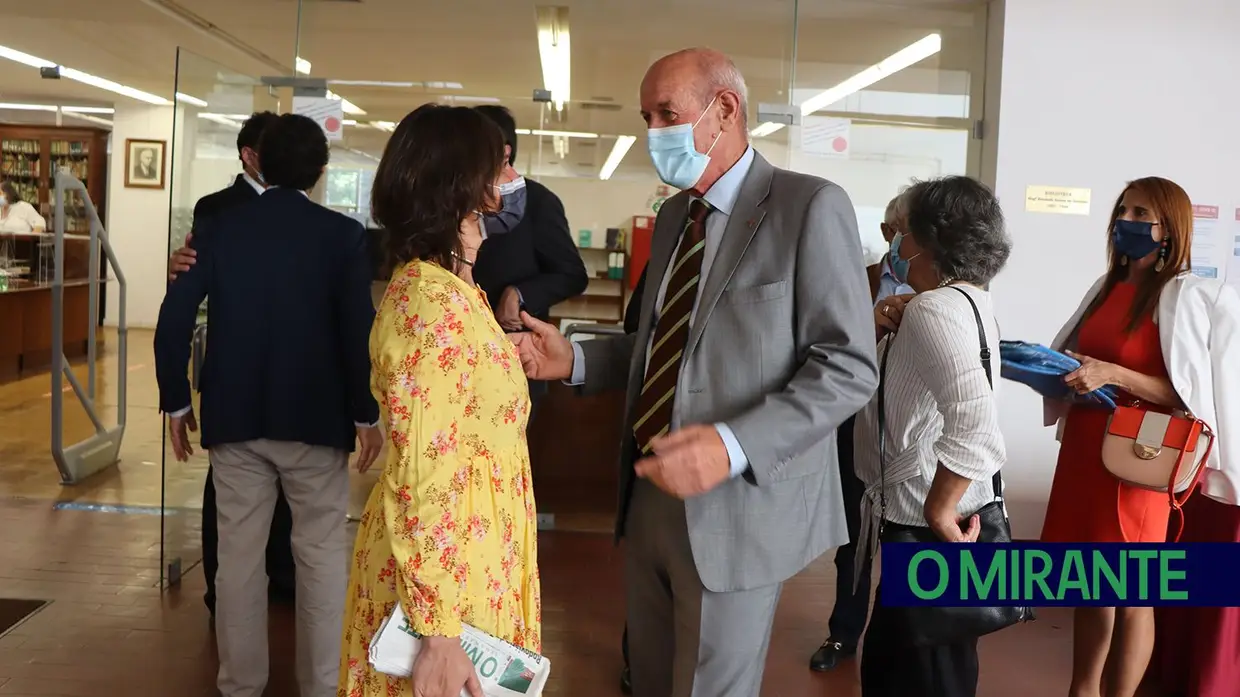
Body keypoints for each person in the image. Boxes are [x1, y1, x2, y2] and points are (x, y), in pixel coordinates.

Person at [510, 48, 877, 696]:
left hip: (740, 502)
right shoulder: (679, 214)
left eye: (666, 114)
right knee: (649, 675)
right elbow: (667, 342)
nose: (652, 132)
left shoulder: (808, 207)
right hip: (650, 490)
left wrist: (732, 444)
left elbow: (847, 366)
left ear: (724, 110)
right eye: (645, 116)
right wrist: (578, 358)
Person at [153, 113, 382, 697]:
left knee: (238, 561)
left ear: (257, 160)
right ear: (320, 171)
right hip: (315, 422)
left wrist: (177, 404)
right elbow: (359, 332)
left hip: (236, 422)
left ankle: (240, 685)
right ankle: (322, 687)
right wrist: (366, 413)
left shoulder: (219, 231)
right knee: (323, 560)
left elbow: (174, 320)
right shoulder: (342, 236)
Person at [337, 104, 541, 697]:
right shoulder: (431, 305)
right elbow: (424, 473)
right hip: (448, 580)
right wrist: (439, 631)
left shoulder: (457, 290)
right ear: (463, 186)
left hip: (475, 554)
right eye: (498, 166)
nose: (508, 180)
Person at [1042, 176, 1240, 697]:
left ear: (1168, 229)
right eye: (1122, 210)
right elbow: (1084, 355)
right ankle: (1081, 689)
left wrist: (1113, 374)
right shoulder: (1107, 287)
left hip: (1142, 457)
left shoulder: (1185, 297)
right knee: (1092, 582)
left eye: (1140, 215)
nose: (1125, 222)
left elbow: (1188, 396)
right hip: (1088, 446)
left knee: (1133, 589)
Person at [855, 175, 1012, 697]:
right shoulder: (966, 300)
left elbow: (975, 425)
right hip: (937, 515)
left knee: (920, 674)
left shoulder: (931, 311)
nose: (894, 244)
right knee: (920, 663)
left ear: (927, 241)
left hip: (929, 525)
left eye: (901, 232)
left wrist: (938, 513)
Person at [165, 110, 297, 621]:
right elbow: (204, 282)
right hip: (236, 364)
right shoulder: (217, 208)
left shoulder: (296, 206)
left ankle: (280, 575)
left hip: (290, 364)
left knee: (287, 475)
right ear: (250, 156)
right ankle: (224, 590)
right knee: (227, 483)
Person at [810, 191, 915, 673]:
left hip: (913, 433)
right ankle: (842, 634)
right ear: (887, 234)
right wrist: (869, 329)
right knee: (855, 539)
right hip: (857, 422)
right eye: (902, 231)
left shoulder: (946, 289)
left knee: (907, 539)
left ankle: (896, 640)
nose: (909, 243)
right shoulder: (858, 281)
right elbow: (828, 348)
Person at [472, 105, 588, 339]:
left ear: (504, 152)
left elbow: (573, 275)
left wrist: (521, 293)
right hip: (450, 344)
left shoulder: (537, 201)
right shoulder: (447, 202)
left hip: (514, 347)